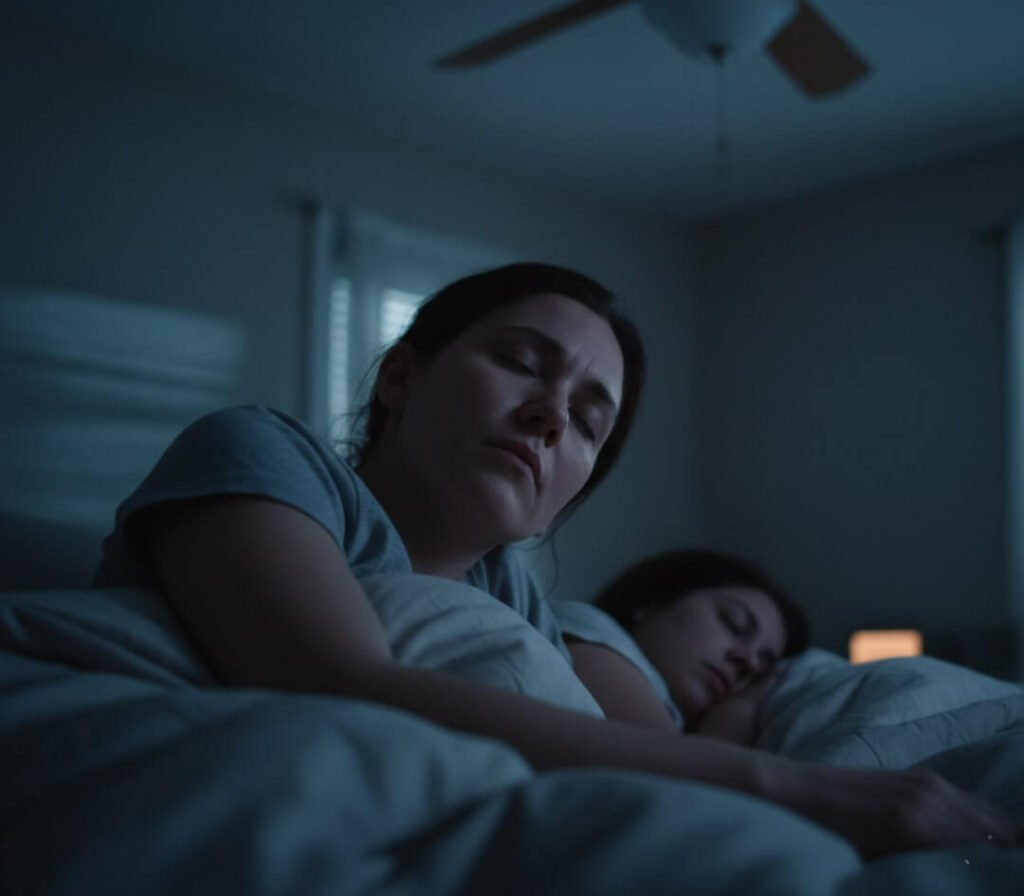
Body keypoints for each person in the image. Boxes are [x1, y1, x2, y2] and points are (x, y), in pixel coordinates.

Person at [93, 262, 1013, 860]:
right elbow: (324, 674)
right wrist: (793, 784)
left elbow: (640, 760)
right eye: (522, 365)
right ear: (402, 377)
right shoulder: (261, 453)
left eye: (588, 420)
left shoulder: (516, 608)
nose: (550, 417)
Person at [553, 549, 810, 744]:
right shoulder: (590, 629)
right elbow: (691, 783)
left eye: (761, 670)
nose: (748, 662)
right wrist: (739, 711)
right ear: (654, 599)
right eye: (735, 623)